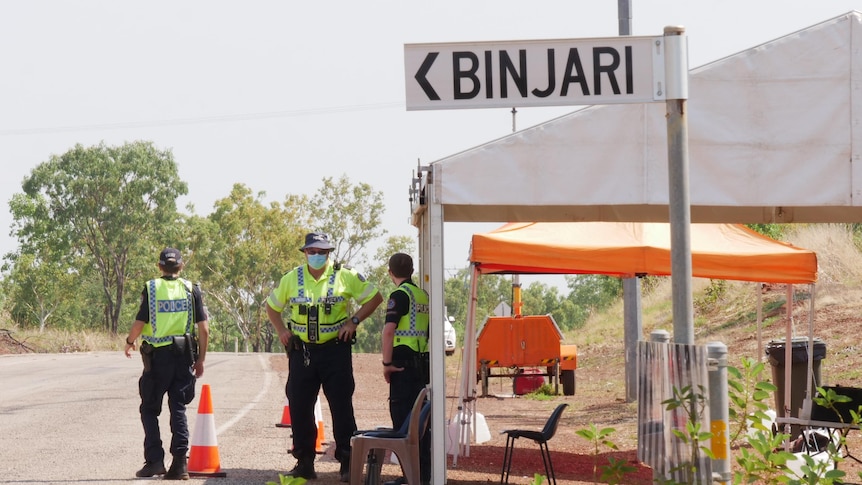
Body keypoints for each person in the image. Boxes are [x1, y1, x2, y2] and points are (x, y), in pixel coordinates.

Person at [266, 232, 383, 482]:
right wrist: (282, 331)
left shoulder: (345, 276)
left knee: (341, 406)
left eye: (322, 252)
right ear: (305, 253)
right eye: (312, 252)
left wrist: (353, 322)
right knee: (299, 406)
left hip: (335, 351)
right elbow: (272, 306)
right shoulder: (292, 278)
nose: (317, 256)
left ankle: (347, 461)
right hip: (302, 353)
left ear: (329, 253)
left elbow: (375, 298)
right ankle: (304, 462)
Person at [124, 247, 209, 480]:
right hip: (184, 357)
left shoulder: (152, 288)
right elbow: (204, 329)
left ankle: (154, 460)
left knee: (149, 409)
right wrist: (200, 359)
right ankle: (180, 464)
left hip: (157, 359)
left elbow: (140, 322)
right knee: (178, 407)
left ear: (160, 266)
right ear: (181, 266)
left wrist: (130, 341)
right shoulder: (191, 289)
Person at [380, 252, 431, 485]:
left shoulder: (399, 295)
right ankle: (422, 474)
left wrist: (386, 364)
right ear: (411, 271)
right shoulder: (422, 295)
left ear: (391, 273)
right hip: (421, 364)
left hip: (402, 364)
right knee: (421, 423)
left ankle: (410, 476)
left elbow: (389, 331)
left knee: (402, 423)